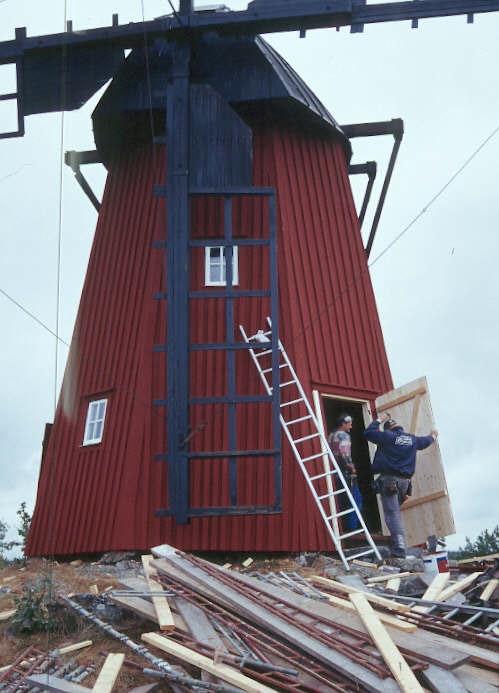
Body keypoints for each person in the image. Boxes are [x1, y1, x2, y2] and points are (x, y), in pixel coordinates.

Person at [364, 412, 438, 558]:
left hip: (390, 481)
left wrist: (379, 419)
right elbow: (427, 441)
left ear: (387, 429)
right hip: (405, 483)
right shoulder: (412, 439)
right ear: (400, 428)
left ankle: (399, 549)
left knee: (392, 515)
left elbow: (368, 433)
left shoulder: (387, 436)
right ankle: (399, 543)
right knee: (395, 512)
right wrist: (434, 435)